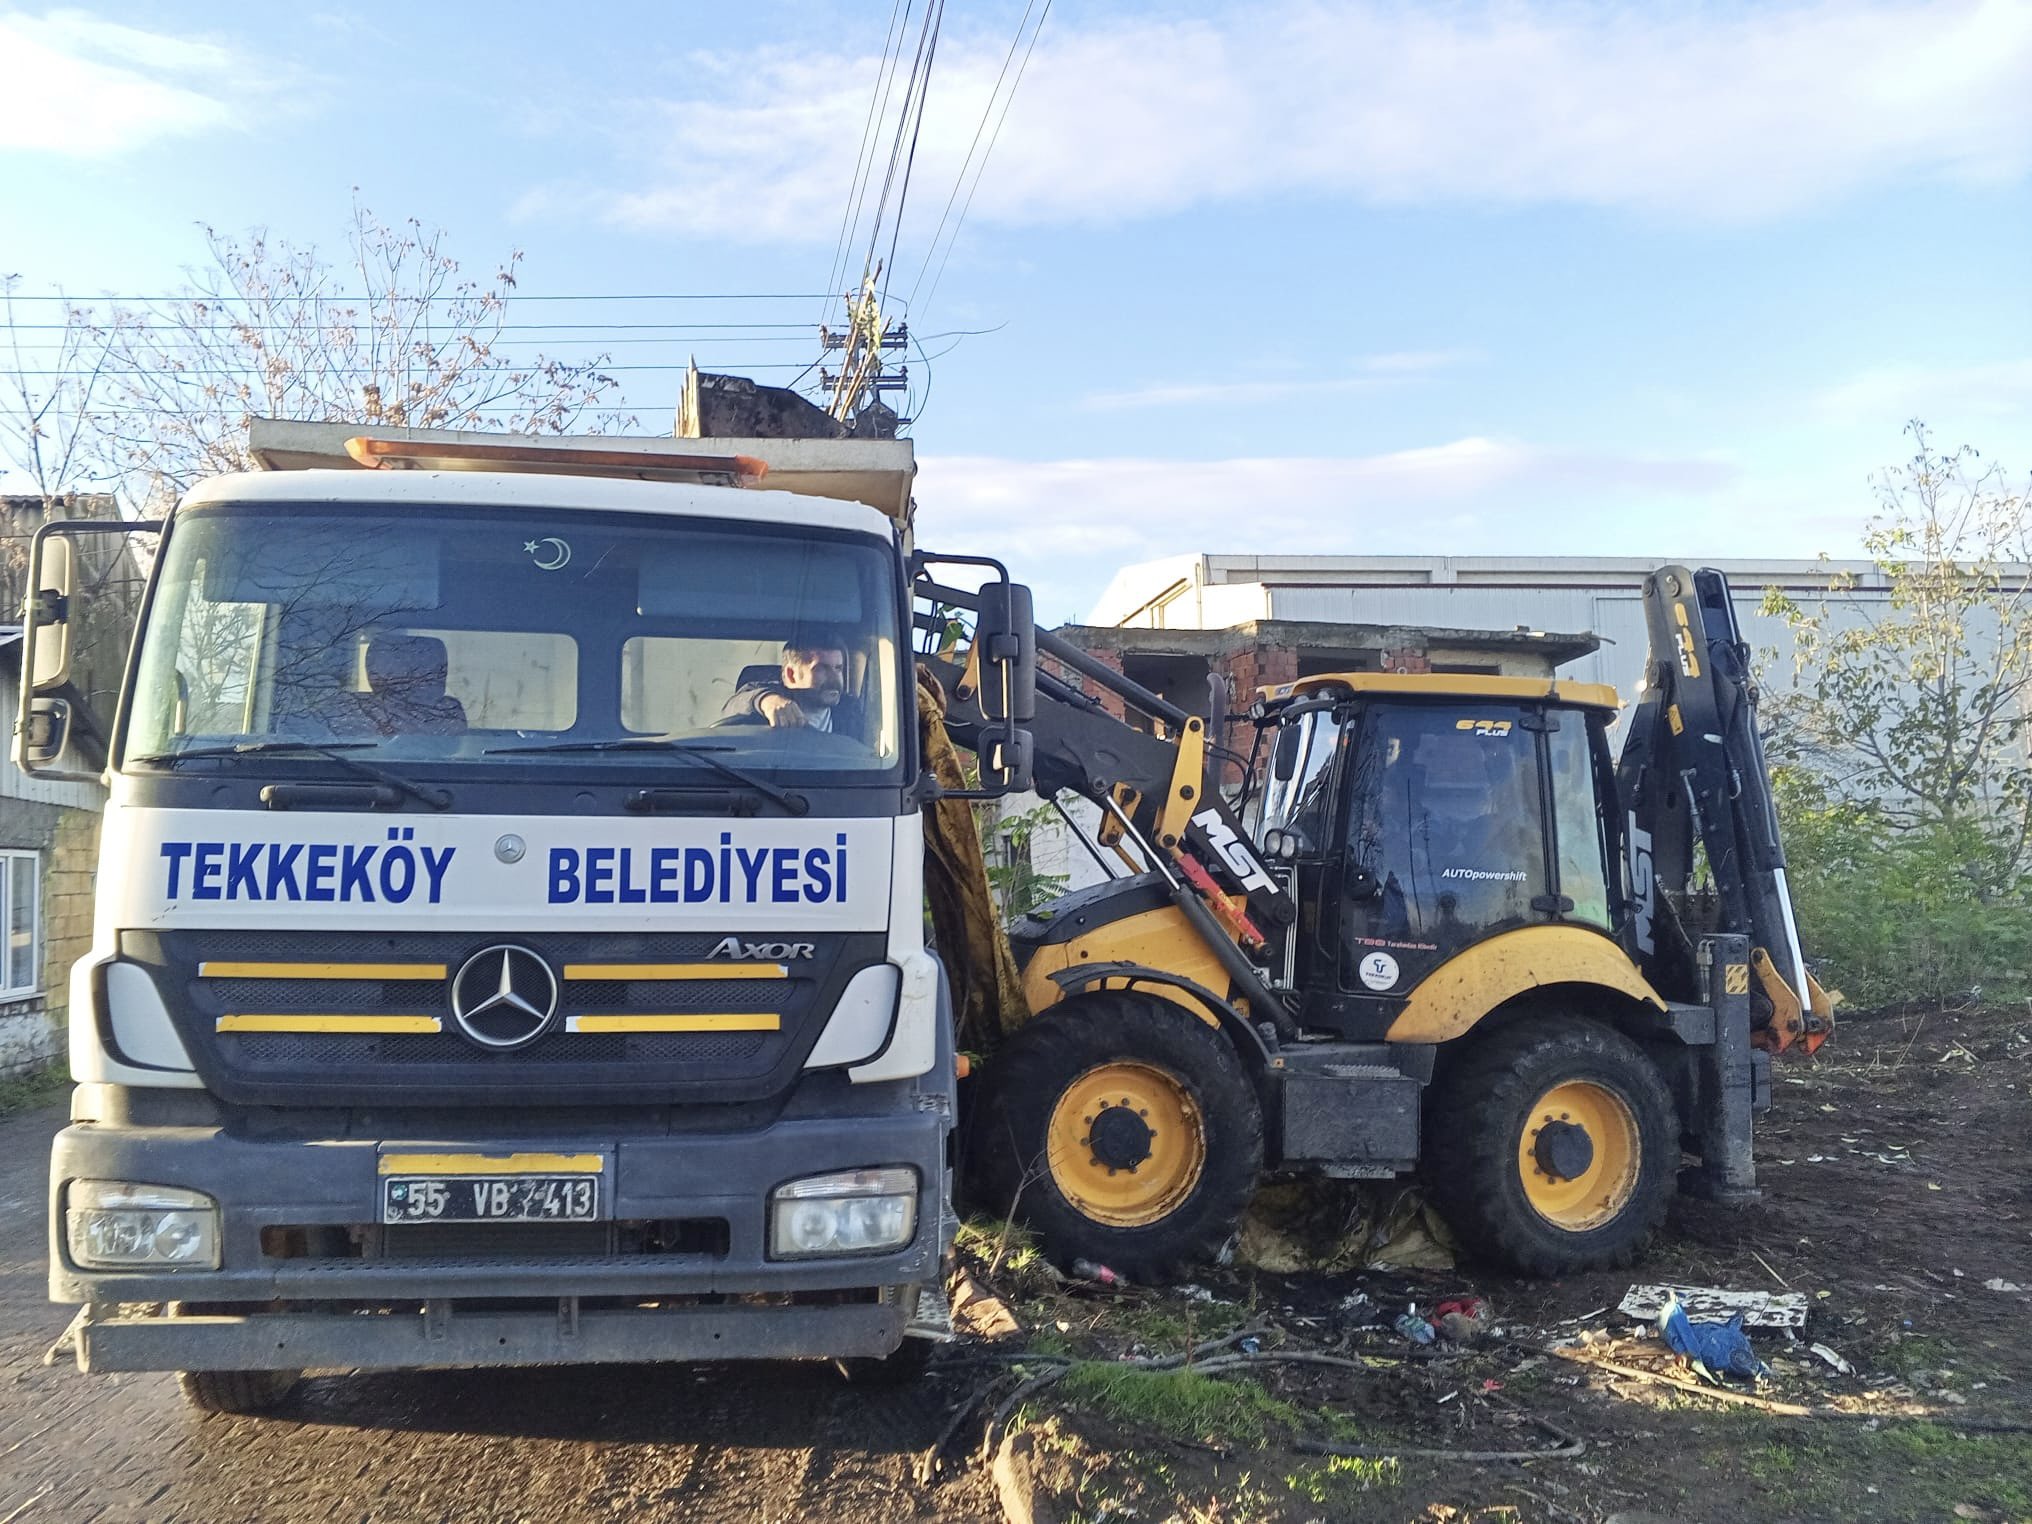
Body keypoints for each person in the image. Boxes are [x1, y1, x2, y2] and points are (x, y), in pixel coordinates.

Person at [718, 641, 866, 735]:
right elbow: (733, 705)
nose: (835, 679)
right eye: (822, 669)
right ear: (791, 675)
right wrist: (765, 701)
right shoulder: (764, 709)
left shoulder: (852, 711)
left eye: (838, 668)